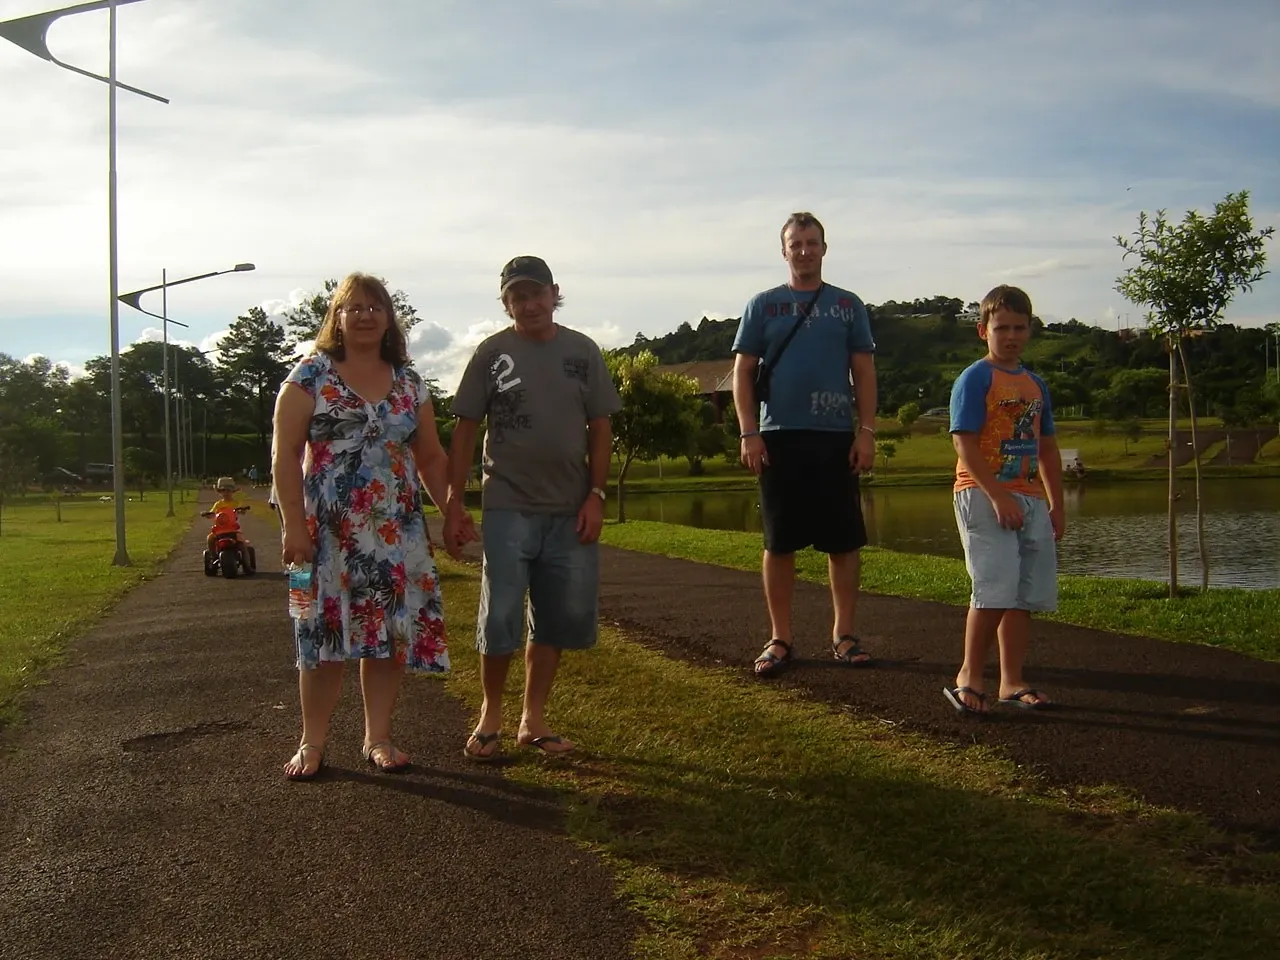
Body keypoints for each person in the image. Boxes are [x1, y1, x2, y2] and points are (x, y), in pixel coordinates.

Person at [272, 272, 458, 781]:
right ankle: (312, 742)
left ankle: (378, 737)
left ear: (389, 318)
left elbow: (432, 457)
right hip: (324, 534)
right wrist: (293, 526)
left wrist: (453, 514)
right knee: (321, 636)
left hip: (396, 533)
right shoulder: (309, 375)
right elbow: (284, 456)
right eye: (354, 306)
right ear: (337, 316)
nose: (365, 314)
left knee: (389, 635)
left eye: (375, 306)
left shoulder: (410, 381)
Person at [443, 255, 621, 760]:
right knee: (499, 614)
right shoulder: (490, 353)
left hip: (570, 510)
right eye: (517, 296)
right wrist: (455, 504)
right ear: (506, 304)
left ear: (554, 293)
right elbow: (464, 431)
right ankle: (490, 718)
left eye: (536, 293)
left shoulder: (582, 352)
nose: (529, 303)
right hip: (507, 505)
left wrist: (596, 495)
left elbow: (601, 428)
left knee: (555, 617)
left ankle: (533, 720)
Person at [730, 212, 878, 678]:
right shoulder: (762, 305)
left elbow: (865, 372)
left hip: (835, 436)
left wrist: (867, 430)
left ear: (824, 248)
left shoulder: (848, 306)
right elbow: (743, 373)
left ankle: (845, 634)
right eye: (796, 243)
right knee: (779, 542)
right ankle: (780, 637)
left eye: (812, 242)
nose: (805, 250)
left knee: (843, 541)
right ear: (784, 251)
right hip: (777, 437)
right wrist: (748, 432)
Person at [943, 284, 1065, 715]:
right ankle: (968, 677)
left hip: (1030, 497)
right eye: (1001, 327)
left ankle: (1011, 681)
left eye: (1019, 327)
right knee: (993, 590)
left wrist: (1057, 504)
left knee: (1022, 595)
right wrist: (997, 496)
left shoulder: (1035, 385)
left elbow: (1047, 447)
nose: (1011, 335)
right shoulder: (976, 378)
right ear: (983, 331)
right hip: (983, 493)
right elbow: (964, 444)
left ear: (1030, 329)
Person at [202, 476, 252, 566]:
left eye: (228, 490)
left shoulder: (236, 503)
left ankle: (247, 564)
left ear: (233, 492)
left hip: (233, 529)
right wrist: (208, 514)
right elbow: (212, 512)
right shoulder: (218, 504)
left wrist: (242, 510)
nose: (226, 493)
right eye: (223, 490)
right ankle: (214, 556)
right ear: (220, 492)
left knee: (242, 544)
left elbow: (241, 510)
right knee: (210, 538)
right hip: (220, 530)